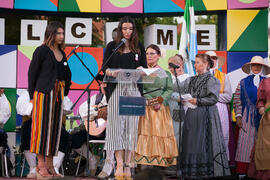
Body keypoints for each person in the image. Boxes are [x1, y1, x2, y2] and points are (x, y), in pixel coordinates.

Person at [102, 16, 147, 179]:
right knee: (116, 130)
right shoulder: (112, 46)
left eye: (130, 29)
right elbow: (104, 67)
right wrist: (109, 71)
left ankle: (128, 165)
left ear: (134, 30)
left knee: (131, 130)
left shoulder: (139, 47)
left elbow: (144, 69)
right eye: (124, 29)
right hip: (116, 90)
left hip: (134, 90)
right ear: (120, 30)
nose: (127, 32)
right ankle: (119, 164)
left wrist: (142, 68)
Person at [28, 21, 71, 178]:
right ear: (51, 34)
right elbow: (32, 73)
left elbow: (67, 74)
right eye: (58, 33)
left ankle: (51, 164)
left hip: (57, 96)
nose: (61, 36)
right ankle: (40, 165)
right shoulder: (41, 51)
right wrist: (32, 96)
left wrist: (65, 90)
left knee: (54, 130)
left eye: (62, 33)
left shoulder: (62, 52)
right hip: (43, 94)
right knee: (42, 130)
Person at [179, 54, 230, 179]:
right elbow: (182, 90)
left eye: (198, 62)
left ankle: (205, 172)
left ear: (207, 64)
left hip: (205, 115)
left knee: (203, 142)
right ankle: (191, 172)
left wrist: (198, 101)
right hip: (192, 115)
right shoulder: (191, 79)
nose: (195, 65)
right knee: (191, 142)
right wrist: (182, 98)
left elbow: (213, 98)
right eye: (195, 62)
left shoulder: (213, 80)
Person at [135, 44, 178, 167]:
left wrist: (158, 101)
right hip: (145, 107)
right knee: (145, 134)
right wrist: (149, 101)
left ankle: (159, 166)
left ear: (158, 56)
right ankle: (143, 165)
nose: (149, 56)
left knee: (159, 134)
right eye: (147, 53)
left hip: (160, 108)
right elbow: (138, 88)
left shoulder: (165, 73)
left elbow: (169, 90)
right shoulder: (141, 72)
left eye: (152, 53)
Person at [233, 56, 268, 177]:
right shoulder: (242, 82)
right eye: (254, 65)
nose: (256, 67)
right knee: (245, 144)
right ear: (250, 67)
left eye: (259, 65)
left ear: (262, 67)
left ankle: (260, 172)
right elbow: (237, 99)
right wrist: (238, 116)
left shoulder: (267, 82)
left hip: (264, 117)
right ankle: (243, 172)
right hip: (247, 117)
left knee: (262, 145)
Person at [205, 51, 232, 161]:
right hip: (205, 108)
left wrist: (213, 96)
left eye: (214, 58)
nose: (212, 60)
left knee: (222, 136)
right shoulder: (199, 76)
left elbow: (228, 97)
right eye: (210, 58)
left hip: (220, 109)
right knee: (205, 136)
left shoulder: (224, 76)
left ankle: (222, 164)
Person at [167, 54, 190, 147]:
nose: (169, 68)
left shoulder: (187, 78)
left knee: (177, 133)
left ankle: (178, 157)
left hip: (179, 110)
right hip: (168, 109)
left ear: (179, 65)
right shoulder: (169, 78)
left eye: (171, 65)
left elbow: (189, 95)